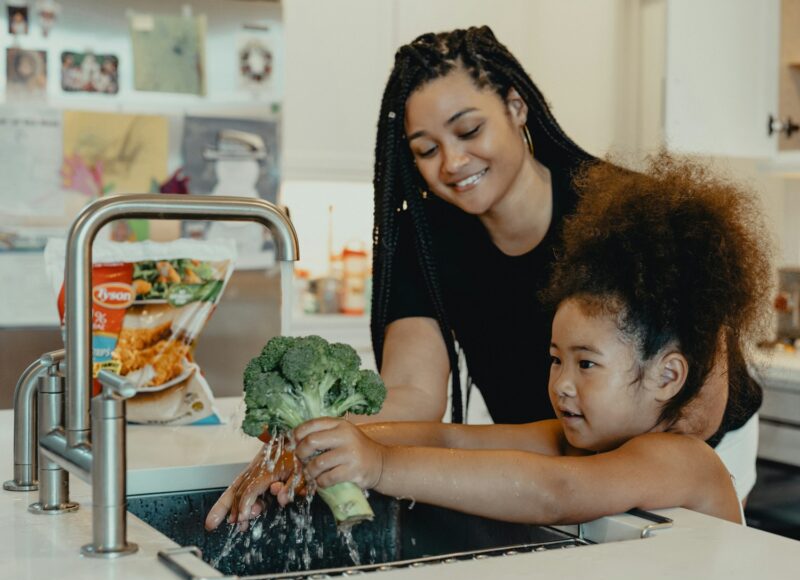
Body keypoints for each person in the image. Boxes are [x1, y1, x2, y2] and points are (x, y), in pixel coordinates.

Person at [205, 26, 764, 531]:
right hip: (571, 441)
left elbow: (577, 480)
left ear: (516, 107)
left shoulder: (625, 216)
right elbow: (426, 407)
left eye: (469, 130)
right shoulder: (427, 239)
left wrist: (378, 461)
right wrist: (322, 442)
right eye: (426, 149)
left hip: (676, 441)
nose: (451, 162)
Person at [288, 155, 771, 525]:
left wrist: (377, 465)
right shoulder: (585, 442)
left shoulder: (680, 458)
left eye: (586, 364)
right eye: (556, 360)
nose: (561, 383)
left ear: (667, 375)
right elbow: (454, 439)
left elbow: (554, 492)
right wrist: (335, 440)